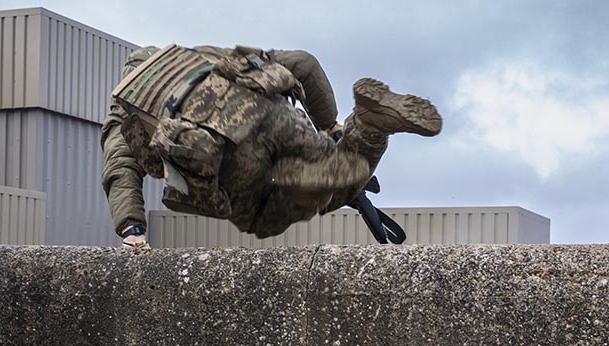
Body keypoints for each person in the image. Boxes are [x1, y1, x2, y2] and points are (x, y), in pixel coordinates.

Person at [101, 44, 442, 247]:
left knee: (278, 211)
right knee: (331, 169)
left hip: (228, 157)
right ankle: (364, 123)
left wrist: (132, 228)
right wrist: (332, 127)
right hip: (277, 116)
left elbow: (120, 170)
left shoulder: (125, 110)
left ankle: (368, 130)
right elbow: (304, 64)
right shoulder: (207, 58)